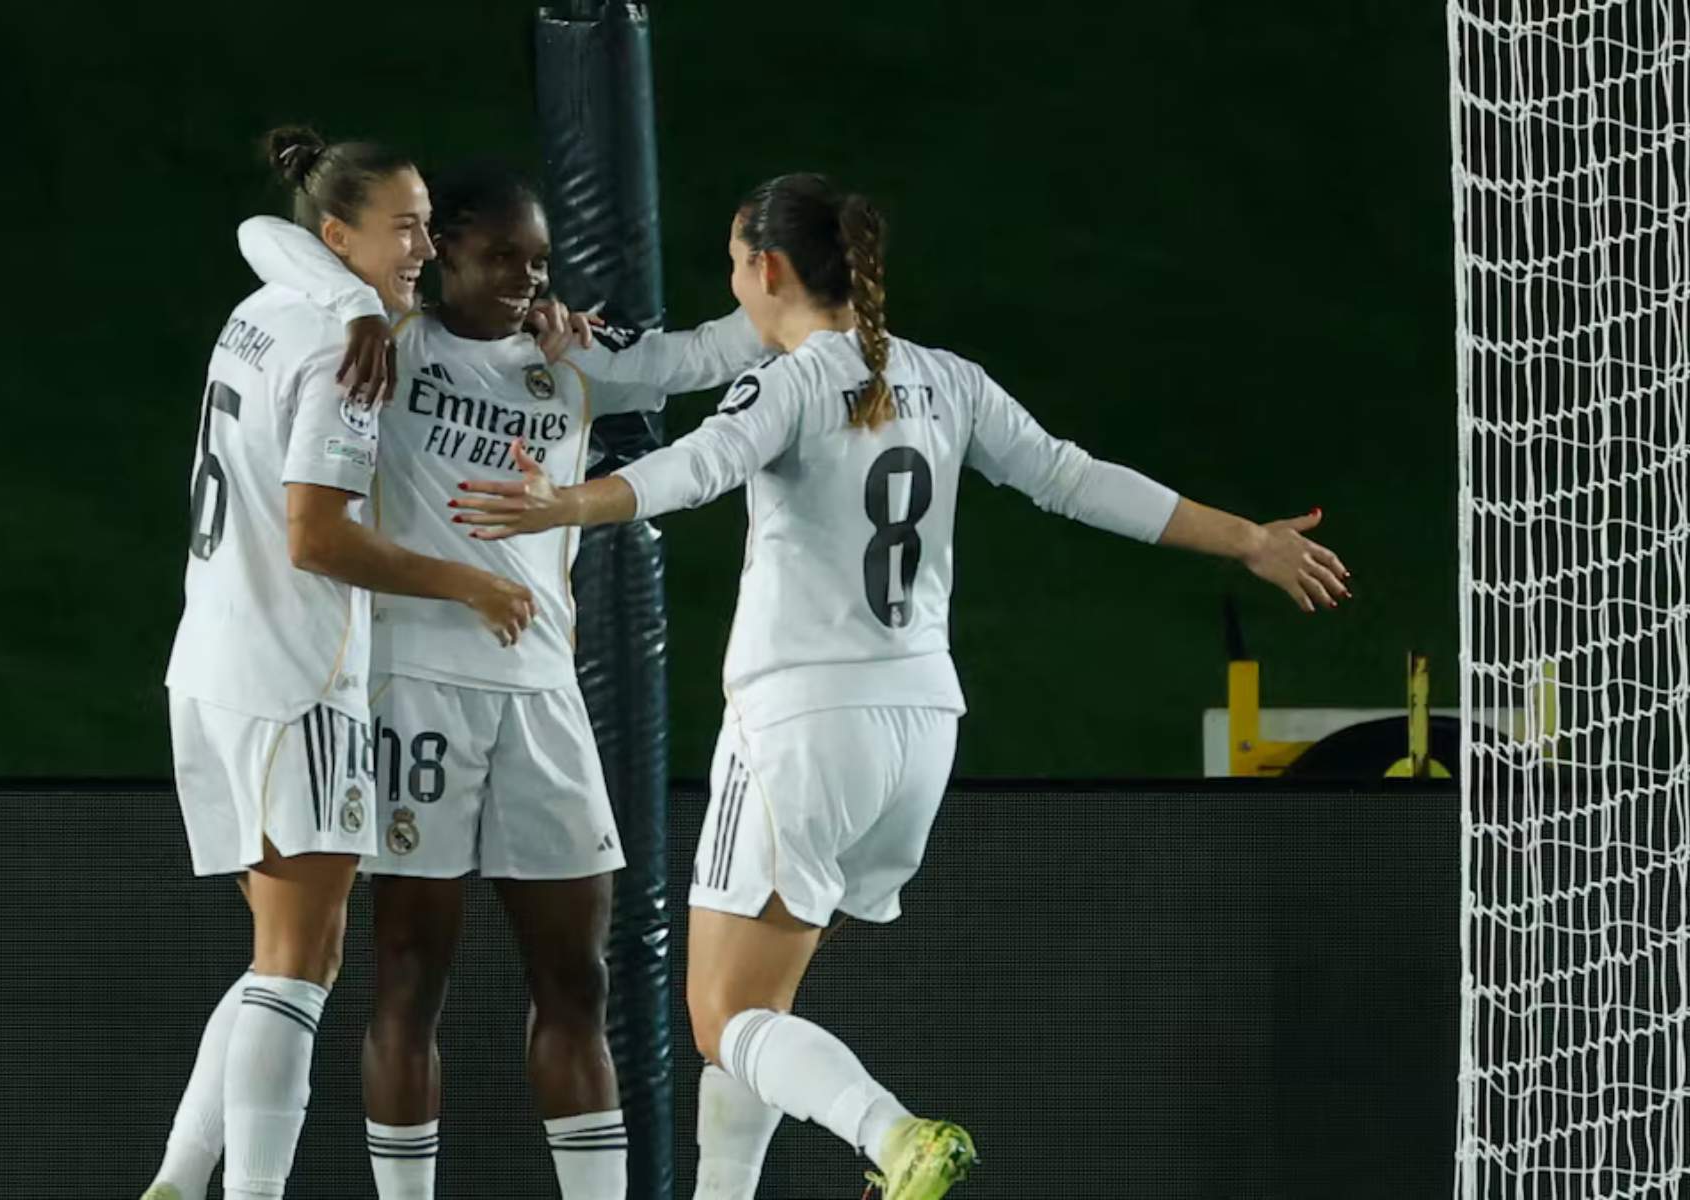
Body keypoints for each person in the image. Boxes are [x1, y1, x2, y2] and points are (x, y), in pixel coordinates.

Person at [454, 171, 1354, 1200]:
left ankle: (895, 1138)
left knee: (723, 1019)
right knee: (763, 1015)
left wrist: (565, 504)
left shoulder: (787, 383)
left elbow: (696, 467)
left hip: (800, 726)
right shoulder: (946, 378)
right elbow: (1073, 476)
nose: (731, 283)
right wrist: (1245, 537)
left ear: (769, 267)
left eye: (734, 263)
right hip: (920, 730)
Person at [234, 165, 771, 1200]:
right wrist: (354, 301)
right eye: (502, 257)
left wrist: (790, 277)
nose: (527, 278)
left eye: (539, 261)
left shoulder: (567, 358)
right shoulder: (385, 343)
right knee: (406, 979)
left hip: (541, 699)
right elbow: (264, 235)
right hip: (413, 692)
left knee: (578, 979)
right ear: (442, 253)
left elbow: (712, 353)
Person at [142, 128, 536, 1200]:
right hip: (295, 677)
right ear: (337, 235)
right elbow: (317, 536)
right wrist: (473, 581)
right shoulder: (346, 353)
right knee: (297, 966)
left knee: (287, 951)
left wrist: (364, 297)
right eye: (403, 226)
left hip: (213, 663)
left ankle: (180, 1179)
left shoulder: (264, 314)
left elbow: (263, 239)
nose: (424, 245)